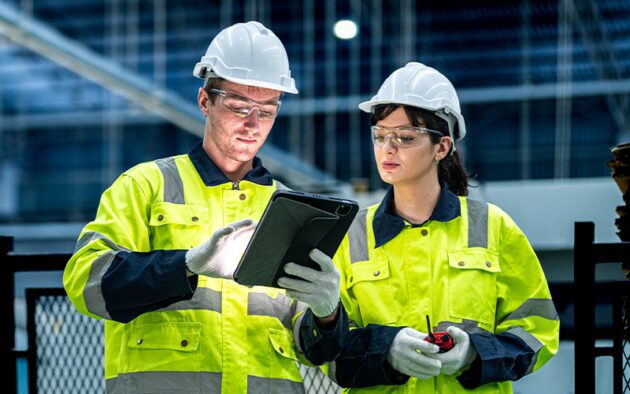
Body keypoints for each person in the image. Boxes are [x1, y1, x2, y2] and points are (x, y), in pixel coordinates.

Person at [64, 21, 347, 394]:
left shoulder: (291, 209)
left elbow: (314, 352)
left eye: (267, 110)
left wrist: (328, 315)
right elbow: (86, 282)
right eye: (238, 106)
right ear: (204, 101)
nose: (252, 124)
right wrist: (184, 265)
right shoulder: (146, 186)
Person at [327, 62, 559, 392]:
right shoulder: (352, 235)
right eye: (379, 137)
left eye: (405, 138)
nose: (388, 149)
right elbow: (327, 350)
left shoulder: (493, 227)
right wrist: (386, 351)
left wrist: (474, 356)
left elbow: (539, 332)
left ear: (443, 147)